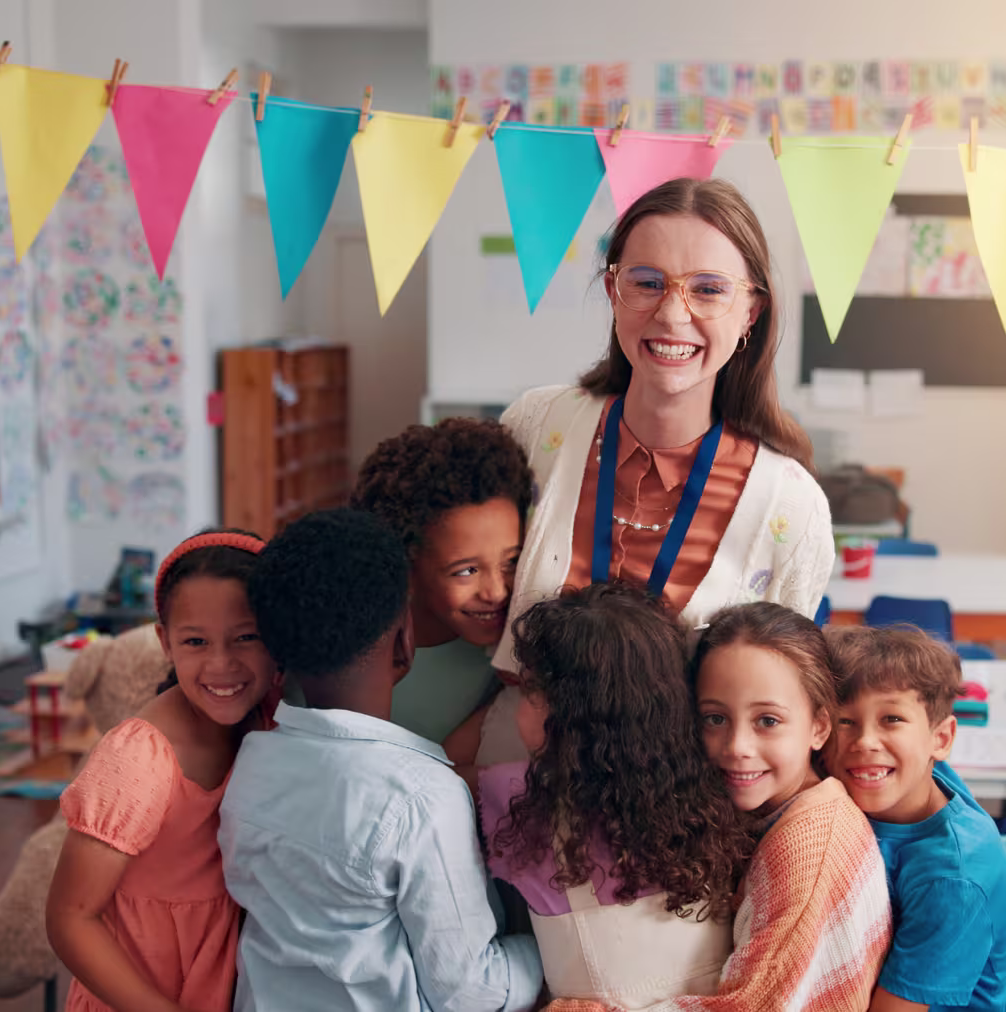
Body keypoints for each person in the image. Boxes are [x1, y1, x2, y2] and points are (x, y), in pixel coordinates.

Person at [479, 178, 835, 765]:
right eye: (647, 283)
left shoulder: (790, 507)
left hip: (674, 807)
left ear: (751, 311)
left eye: (709, 290)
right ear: (614, 291)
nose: (673, 314)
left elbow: (779, 705)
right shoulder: (536, 426)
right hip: (513, 774)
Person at [221, 509, 542, 1012]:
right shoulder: (421, 796)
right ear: (404, 641)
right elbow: (471, 994)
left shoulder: (251, 764)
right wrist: (546, 951)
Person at [551, 602, 888, 1012]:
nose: (736, 747)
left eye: (767, 721)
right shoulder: (774, 811)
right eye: (714, 719)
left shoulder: (811, 845)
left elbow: (753, 1006)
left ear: (819, 726)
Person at [483, 582, 752, 1006]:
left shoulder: (510, 796)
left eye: (529, 691)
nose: (520, 704)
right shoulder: (718, 800)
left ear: (568, 716)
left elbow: (438, 768)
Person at [47, 528, 275, 1012]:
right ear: (164, 642)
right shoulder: (138, 761)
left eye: (246, 637)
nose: (222, 664)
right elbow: (70, 918)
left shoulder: (271, 719)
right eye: (196, 641)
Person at [827, 624, 1006, 1012]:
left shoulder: (952, 878)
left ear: (941, 739)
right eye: (845, 721)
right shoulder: (913, 778)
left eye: (892, 719)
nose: (865, 741)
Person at [350, 418, 534, 761]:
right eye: (466, 571)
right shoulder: (351, 658)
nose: (496, 591)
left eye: (511, 561)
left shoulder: (519, 648)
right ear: (406, 562)